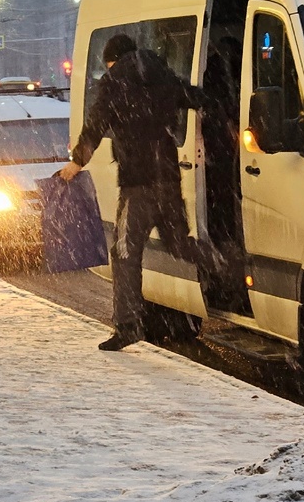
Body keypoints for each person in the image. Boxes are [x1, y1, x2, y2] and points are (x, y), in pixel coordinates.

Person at [58, 33, 213, 350]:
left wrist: (76, 162)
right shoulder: (161, 74)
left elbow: (96, 124)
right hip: (168, 178)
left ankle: (128, 326)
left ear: (112, 60)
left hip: (138, 185)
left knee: (125, 253)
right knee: (178, 244)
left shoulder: (113, 81)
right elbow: (193, 96)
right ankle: (225, 262)